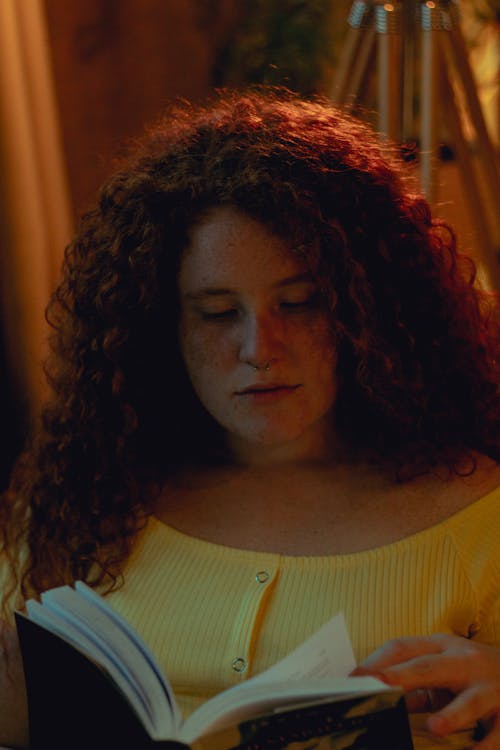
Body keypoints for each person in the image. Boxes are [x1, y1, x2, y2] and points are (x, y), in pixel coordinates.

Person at [0, 89, 499, 750]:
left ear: (365, 312)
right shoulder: (82, 501)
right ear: (160, 326)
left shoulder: (475, 519)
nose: (260, 348)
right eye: (216, 312)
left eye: (299, 303)